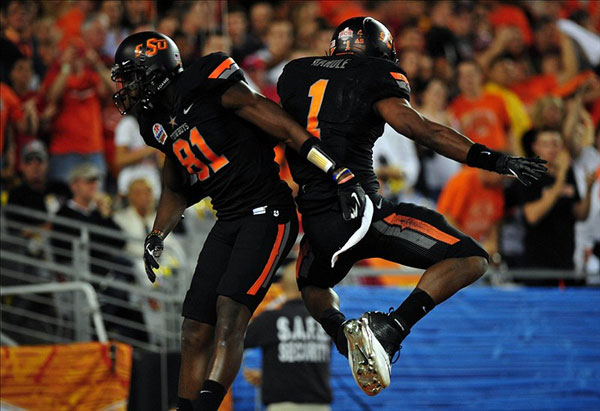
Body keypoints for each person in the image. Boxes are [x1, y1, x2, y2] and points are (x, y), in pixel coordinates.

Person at [277, 17, 547, 396]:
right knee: (471, 258)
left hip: (318, 221)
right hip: (365, 213)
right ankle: (392, 328)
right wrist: (495, 161)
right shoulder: (377, 73)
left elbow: (270, 123)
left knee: (311, 284)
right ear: (380, 50)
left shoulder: (294, 72)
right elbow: (421, 129)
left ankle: (344, 335)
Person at [111, 31, 364, 411]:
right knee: (194, 328)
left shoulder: (207, 83)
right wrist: (157, 233)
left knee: (230, 316)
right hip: (228, 218)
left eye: (131, 75)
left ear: (155, 71)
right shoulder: (155, 121)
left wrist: (333, 169)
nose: (126, 86)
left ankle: (206, 406)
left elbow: (276, 121)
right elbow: (176, 184)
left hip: (268, 213)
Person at [244, 262, 332, 411]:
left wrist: (267, 378)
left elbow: (234, 343)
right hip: (320, 406)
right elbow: (305, 361)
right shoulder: (324, 320)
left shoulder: (269, 320)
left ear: (282, 286)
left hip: (282, 406)